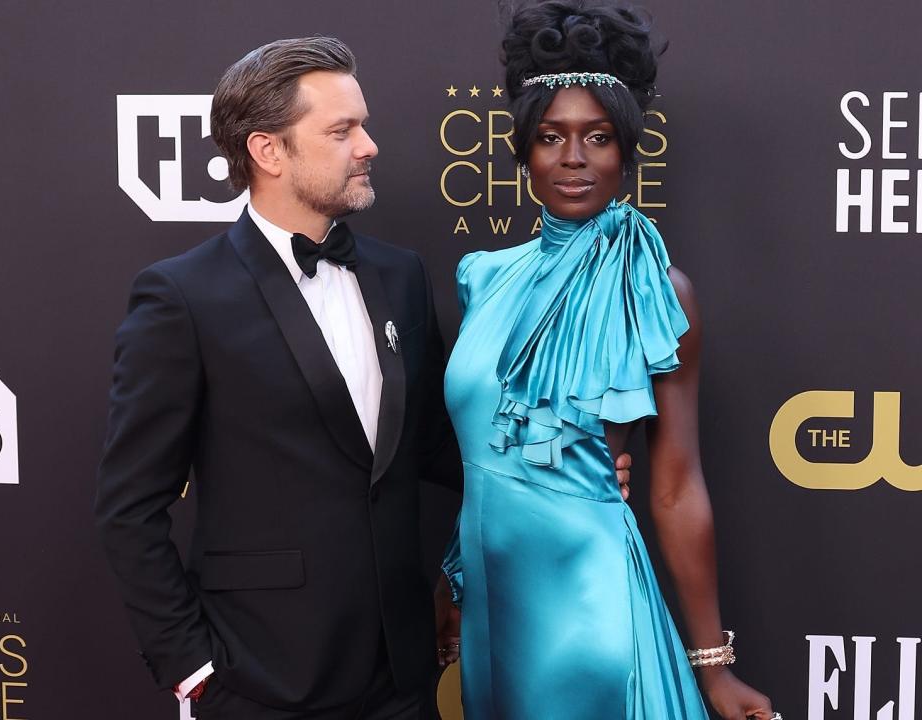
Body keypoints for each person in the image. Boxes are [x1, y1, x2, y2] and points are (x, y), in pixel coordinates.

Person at [94, 34, 635, 720]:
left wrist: (566, 467)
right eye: (343, 130)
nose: (369, 145)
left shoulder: (398, 274)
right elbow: (128, 508)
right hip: (262, 679)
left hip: (400, 672)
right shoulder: (182, 299)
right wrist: (190, 667)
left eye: (365, 125)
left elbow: (439, 444)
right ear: (268, 151)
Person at [438, 3, 779, 719]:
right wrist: (454, 576)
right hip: (489, 609)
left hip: (589, 613)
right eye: (551, 137)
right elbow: (486, 443)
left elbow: (677, 487)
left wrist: (713, 668)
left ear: (625, 150)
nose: (573, 159)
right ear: (524, 150)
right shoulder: (483, 278)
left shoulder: (656, 289)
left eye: (597, 137)